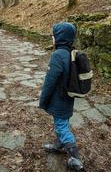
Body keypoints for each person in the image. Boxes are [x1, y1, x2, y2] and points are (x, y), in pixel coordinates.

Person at [39, 22, 84, 171]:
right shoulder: (71, 52)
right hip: (67, 98)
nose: (52, 37)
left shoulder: (58, 55)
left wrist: (43, 99)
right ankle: (59, 144)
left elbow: (50, 81)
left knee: (62, 126)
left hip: (58, 98)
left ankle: (75, 158)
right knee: (61, 122)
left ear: (59, 37)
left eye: (54, 35)